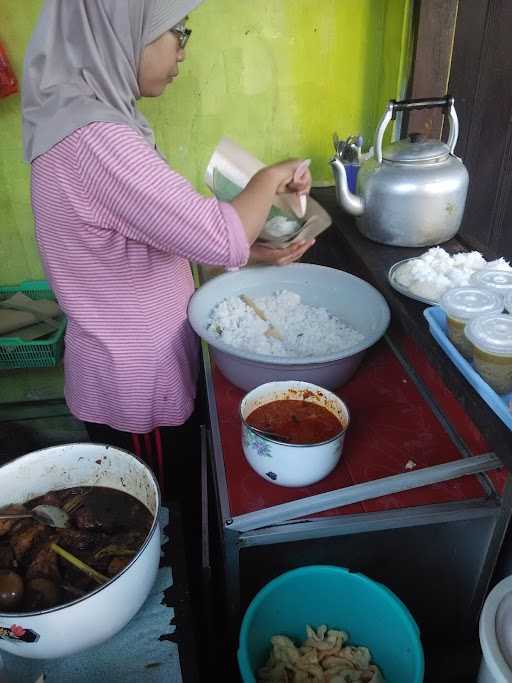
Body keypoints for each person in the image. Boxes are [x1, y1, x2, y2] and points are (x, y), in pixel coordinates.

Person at [21, 0, 313, 493]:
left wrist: (248, 250)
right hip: (138, 384)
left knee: (171, 503)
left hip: (130, 364)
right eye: (174, 31)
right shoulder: (95, 138)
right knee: (165, 512)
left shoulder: (83, 122)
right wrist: (269, 177)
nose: (182, 50)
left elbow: (149, 230)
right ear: (119, 32)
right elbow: (215, 233)